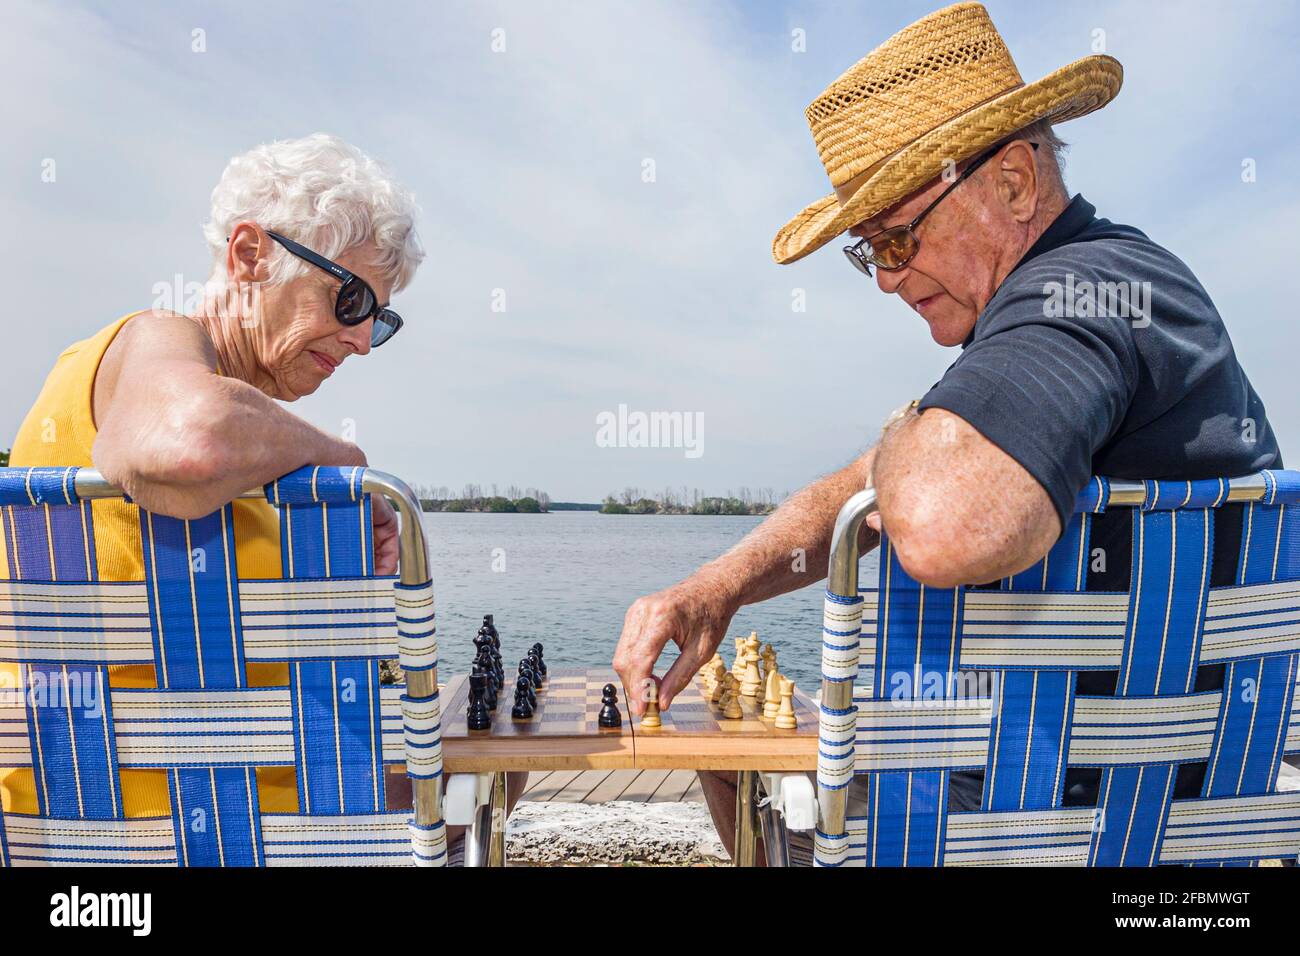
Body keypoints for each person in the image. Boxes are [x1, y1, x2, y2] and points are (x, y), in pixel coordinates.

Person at [612, 1, 1282, 863]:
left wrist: (905, 427)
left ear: (1011, 181)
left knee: (730, 758)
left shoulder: (1073, 302)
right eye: (870, 253)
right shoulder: (1115, 294)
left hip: (1010, 832)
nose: (887, 282)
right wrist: (722, 586)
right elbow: (887, 476)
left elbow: (943, 522)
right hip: (1176, 836)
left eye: (896, 239)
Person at [0, 132, 523, 861]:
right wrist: (345, 460)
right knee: (497, 738)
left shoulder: (106, 390)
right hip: (272, 832)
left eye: (382, 317)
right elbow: (185, 443)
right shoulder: (152, 340)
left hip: (74, 833)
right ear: (249, 256)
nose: (365, 340)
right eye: (351, 298)